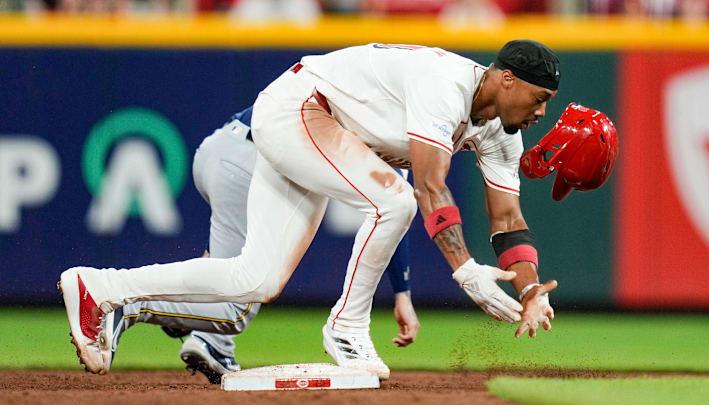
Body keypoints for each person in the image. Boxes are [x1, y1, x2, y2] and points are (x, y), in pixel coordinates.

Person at [58, 39, 607, 380]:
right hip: (299, 108)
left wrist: (529, 288)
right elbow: (431, 188)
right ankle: (347, 328)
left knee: (256, 279)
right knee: (394, 198)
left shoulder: (500, 132)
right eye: (539, 97)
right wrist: (464, 273)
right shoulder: (447, 84)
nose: (542, 111)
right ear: (505, 78)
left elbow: (509, 222)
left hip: (318, 128)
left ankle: (100, 288)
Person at [107, 106, 419, 383]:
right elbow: (391, 214)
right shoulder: (388, 122)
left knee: (228, 272)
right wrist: (402, 294)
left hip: (220, 148)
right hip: (252, 164)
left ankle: (212, 344)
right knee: (238, 304)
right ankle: (131, 303)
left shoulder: (351, 82)